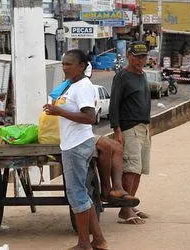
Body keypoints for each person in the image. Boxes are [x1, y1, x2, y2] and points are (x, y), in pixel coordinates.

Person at [43, 49, 107, 250]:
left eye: (69, 64)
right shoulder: (71, 86)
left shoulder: (82, 87)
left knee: (77, 194)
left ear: (81, 66)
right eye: (63, 64)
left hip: (76, 145)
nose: (65, 68)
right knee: (82, 195)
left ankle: (83, 243)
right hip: (73, 143)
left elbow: (89, 117)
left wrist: (58, 111)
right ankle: (98, 240)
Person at [109, 41, 151, 225]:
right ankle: (124, 210)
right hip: (129, 128)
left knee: (140, 169)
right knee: (131, 169)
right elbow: (114, 104)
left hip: (144, 127)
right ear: (129, 56)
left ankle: (131, 203)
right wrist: (117, 129)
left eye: (143, 57)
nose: (140, 60)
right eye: (137, 57)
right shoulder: (122, 76)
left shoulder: (142, 76)